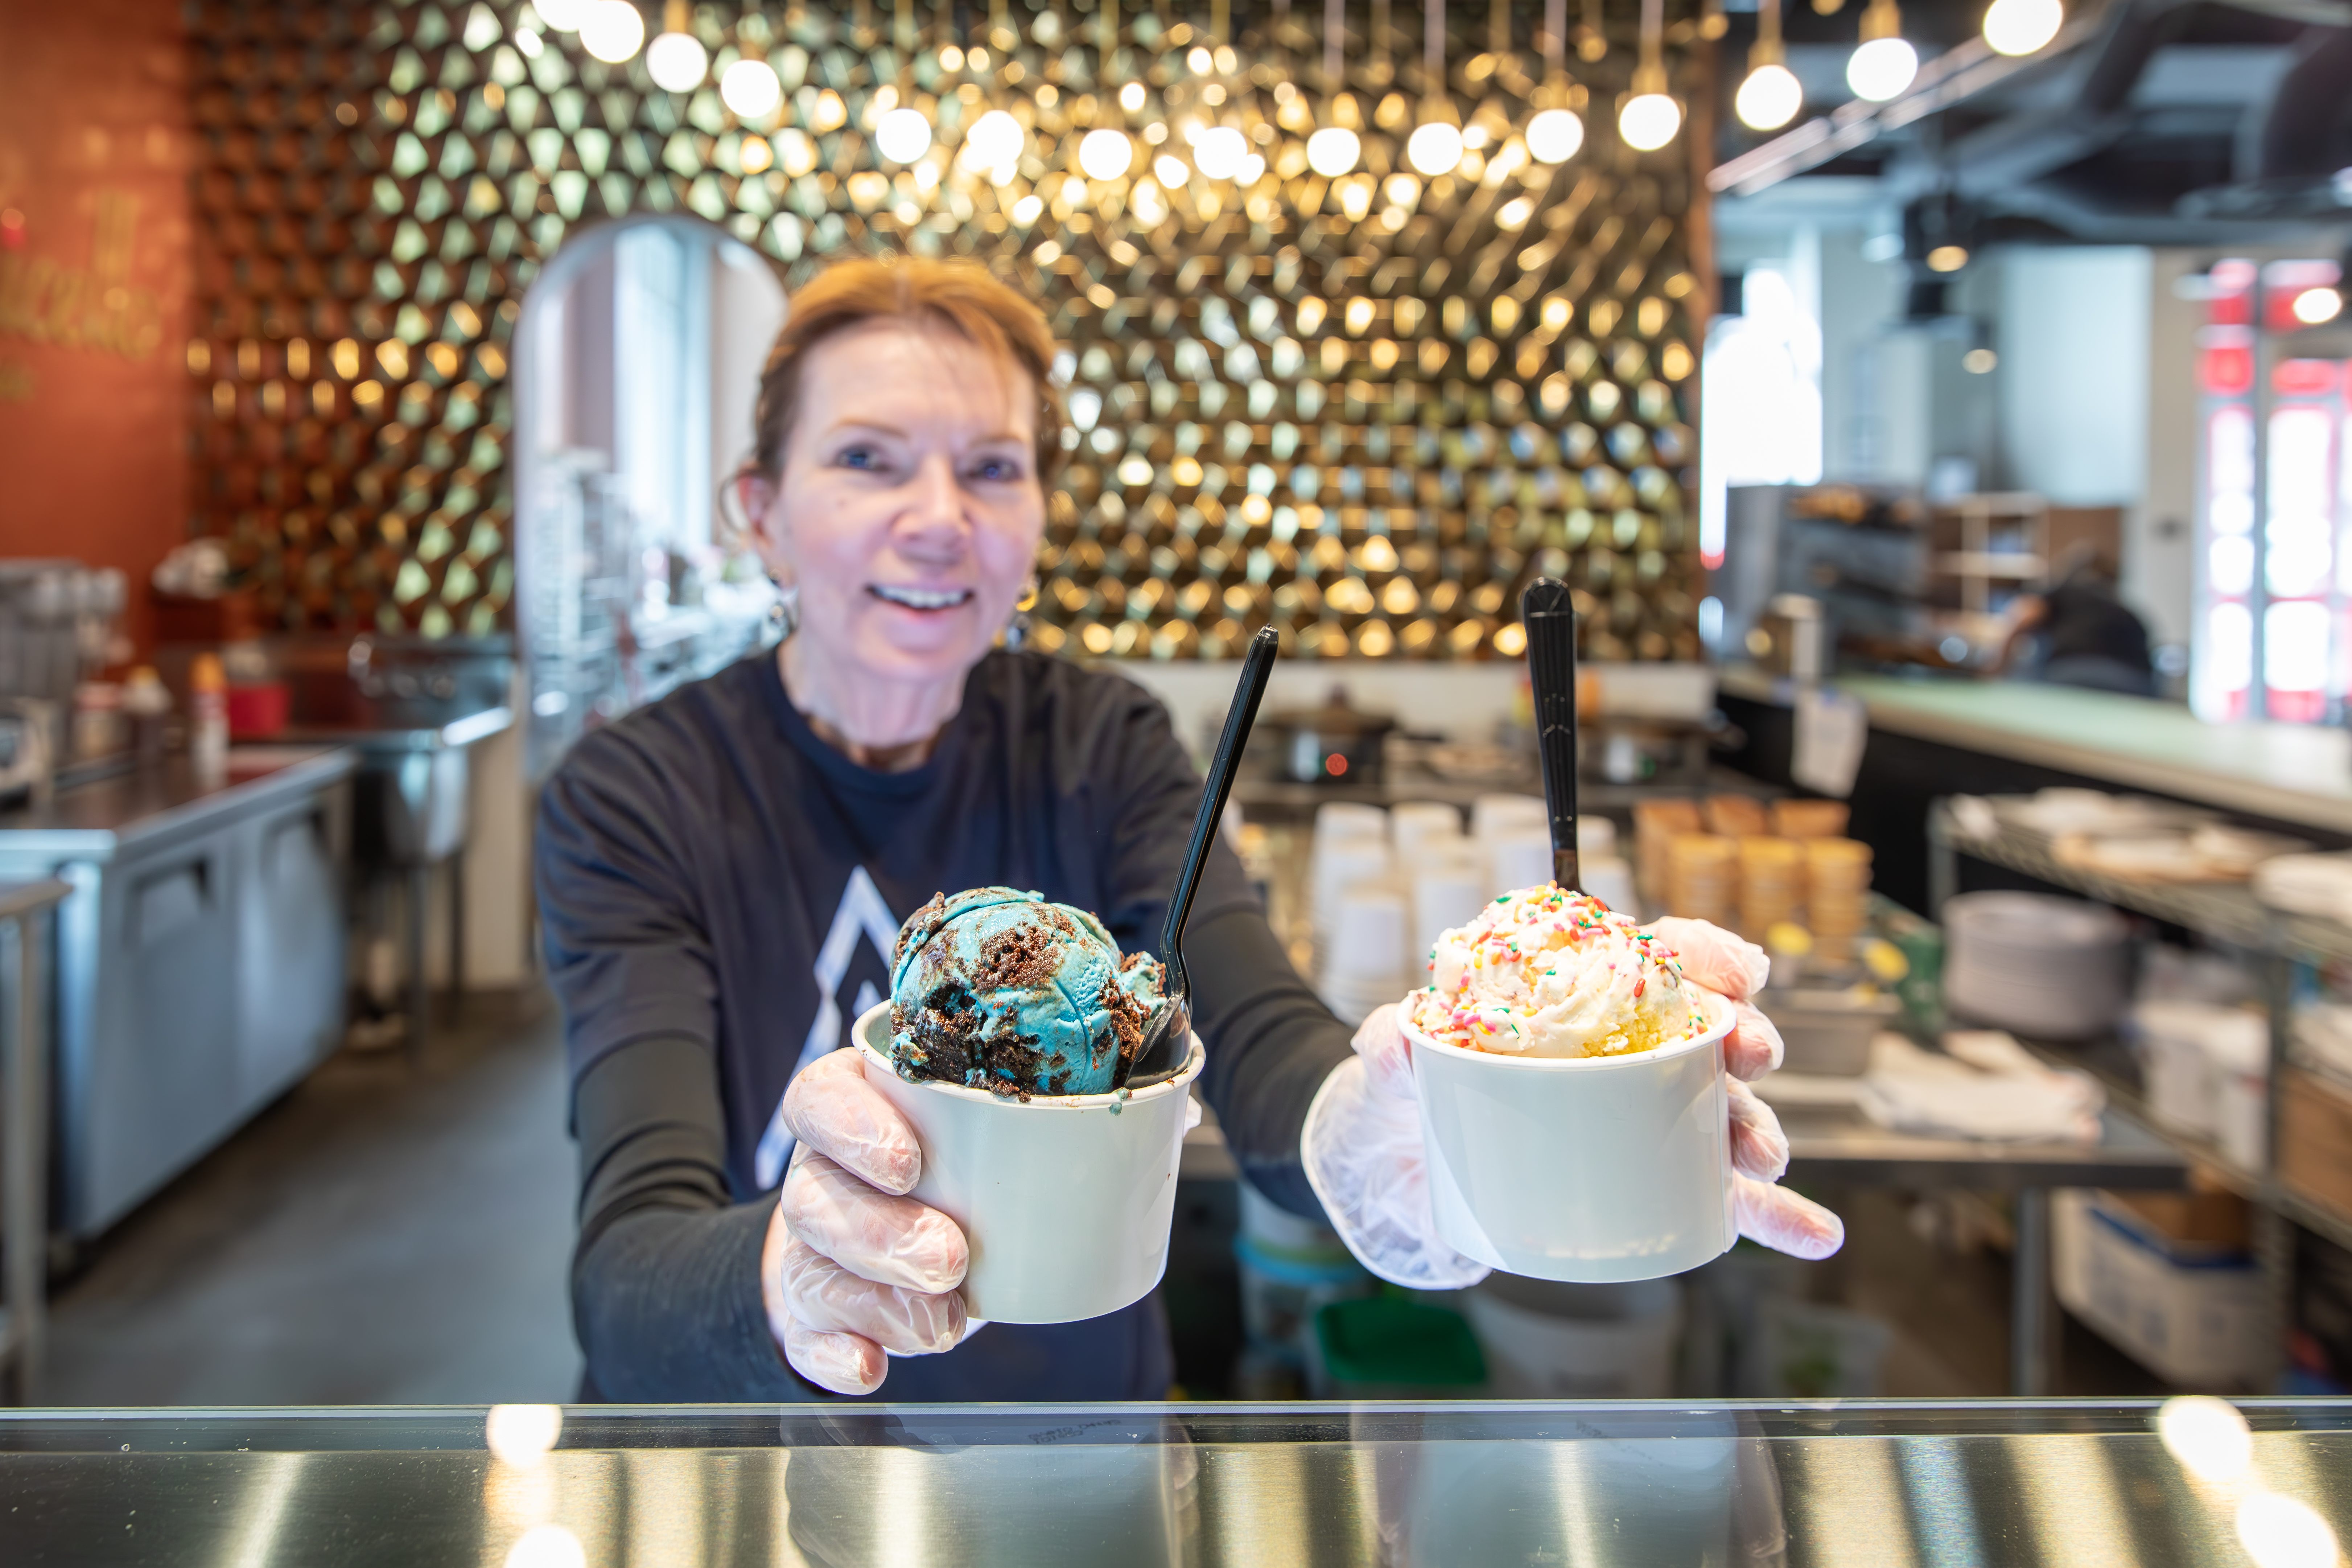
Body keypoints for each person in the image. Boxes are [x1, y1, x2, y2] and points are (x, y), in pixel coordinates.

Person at [536, 255, 1842, 1401]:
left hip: (1064, 1457)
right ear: (758, 510)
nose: (939, 519)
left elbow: (1258, 1042)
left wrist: (1403, 1132)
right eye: (867, 459)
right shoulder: (635, 795)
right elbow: (629, 1276)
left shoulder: (1100, 744)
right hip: (739, 1466)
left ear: (1035, 525)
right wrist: (793, 1269)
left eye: (992, 468)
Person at [1993, 546, 2156, 696]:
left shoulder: (2061, 594)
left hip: (2072, 674)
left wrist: (1996, 669)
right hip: (2134, 684)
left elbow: (2022, 620)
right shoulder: (2129, 613)